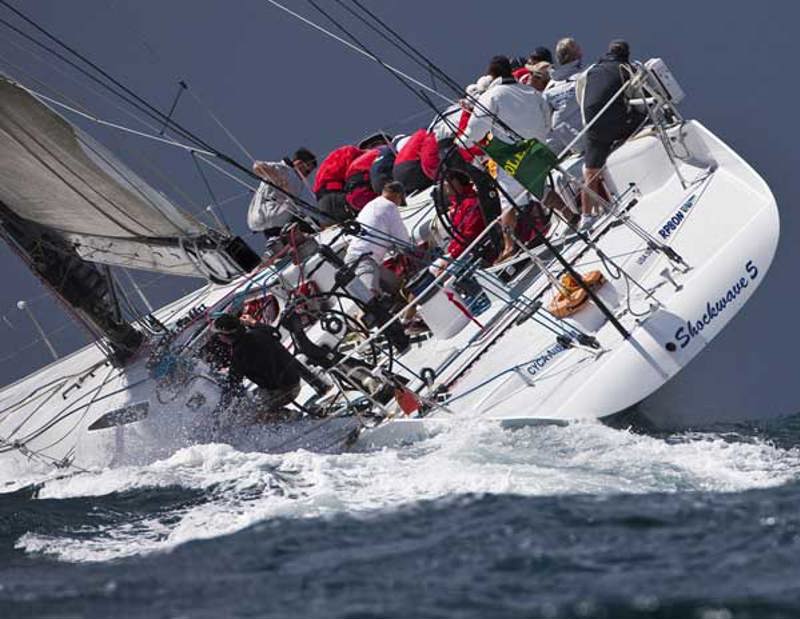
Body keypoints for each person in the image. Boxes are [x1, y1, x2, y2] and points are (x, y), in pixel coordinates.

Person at [463, 55, 568, 263]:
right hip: (536, 147)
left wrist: (462, 143)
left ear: (492, 74)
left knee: (508, 201)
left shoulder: (491, 97)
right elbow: (546, 116)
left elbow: (476, 129)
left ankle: (510, 247)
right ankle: (570, 215)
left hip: (513, 154)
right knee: (538, 187)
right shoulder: (528, 90)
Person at [577, 39, 645, 230]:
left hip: (592, 126)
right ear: (626, 54)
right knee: (646, 119)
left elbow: (581, 95)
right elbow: (638, 97)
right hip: (615, 125)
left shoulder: (590, 70)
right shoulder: (627, 69)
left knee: (590, 171)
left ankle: (586, 217)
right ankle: (631, 175)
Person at [344, 181, 412, 351]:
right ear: (398, 196)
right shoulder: (389, 207)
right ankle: (366, 340)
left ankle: (406, 319)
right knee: (372, 300)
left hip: (361, 260)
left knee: (398, 286)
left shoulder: (371, 205)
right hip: (363, 261)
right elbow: (403, 242)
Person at [211, 314, 301, 422]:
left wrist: (218, 411)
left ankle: (291, 417)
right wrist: (254, 324)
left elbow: (232, 385)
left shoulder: (239, 353)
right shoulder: (257, 332)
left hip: (285, 390)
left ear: (224, 336)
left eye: (218, 335)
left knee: (246, 416)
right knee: (252, 401)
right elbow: (275, 333)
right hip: (293, 378)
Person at [248, 147, 318, 238]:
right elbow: (257, 166)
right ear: (299, 163)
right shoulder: (284, 169)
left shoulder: (297, 182)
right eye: (307, 171)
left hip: (260, 222)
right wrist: (279, 180)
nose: (307, 175)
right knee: (315, 226)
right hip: (273, 214)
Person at [543, 37, 585, 156]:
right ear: (576, 54)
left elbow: (546, 122)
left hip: (565, 147)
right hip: (585, 142)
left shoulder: (549, 88)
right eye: (578, 49)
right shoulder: (584, 77)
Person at [313, 145, 364, 223]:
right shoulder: (355, 153)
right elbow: (354, 174)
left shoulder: (337, 155)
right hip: (338, 196)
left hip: (322, 202)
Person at [393, 129, 434, 194]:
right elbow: (429, 155)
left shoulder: (414, 140)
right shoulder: (426, 134)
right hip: (411, 169)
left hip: (398, 175)